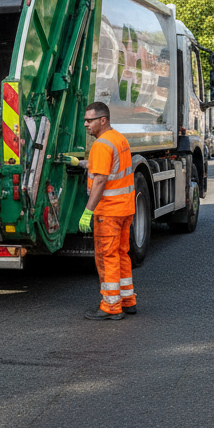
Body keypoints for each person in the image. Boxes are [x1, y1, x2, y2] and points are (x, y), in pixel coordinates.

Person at [78, 102, 137, 320]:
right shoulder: (118, 139)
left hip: (109, 212)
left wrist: (87, 211)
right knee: (121, 253)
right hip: (125, 208)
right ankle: (128, 299)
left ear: (103, 120)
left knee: (106, 256)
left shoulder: (101, 145)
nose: (86, 124)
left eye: (89, 120)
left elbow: (101, 180)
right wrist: (87, 164)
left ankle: (111, 306)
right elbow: (112, 169)